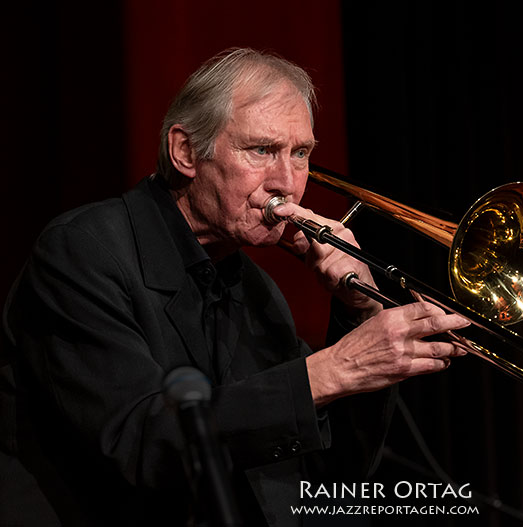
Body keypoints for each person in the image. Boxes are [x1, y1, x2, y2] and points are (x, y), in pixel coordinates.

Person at [0, 48, 469, 526]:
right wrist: (331, 370)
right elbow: (142, 442)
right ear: (185, 152)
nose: (286, 183)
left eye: (301, 153)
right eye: (262, 150)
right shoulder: (83, 251)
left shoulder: (255, 290)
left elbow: (328, 482)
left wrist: (360, 310)